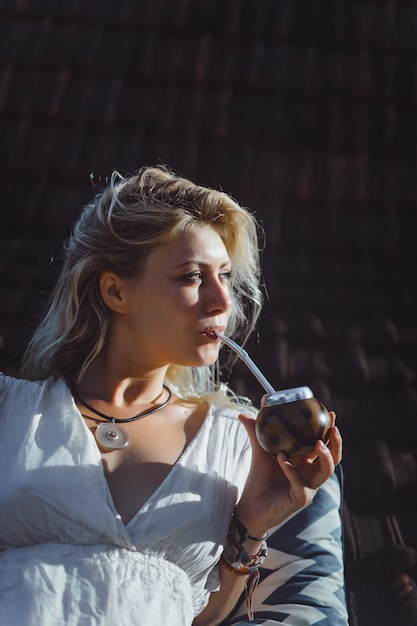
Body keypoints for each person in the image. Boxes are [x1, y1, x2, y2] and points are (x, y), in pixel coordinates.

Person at [0, 165, 343, 626]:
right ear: (115, 290)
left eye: (224, 274)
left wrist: (253, 526)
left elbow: (195, 614)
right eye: (191, 276)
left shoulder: (240, 445)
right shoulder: (10, 411)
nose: (222, 300)